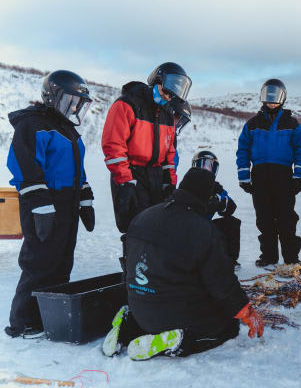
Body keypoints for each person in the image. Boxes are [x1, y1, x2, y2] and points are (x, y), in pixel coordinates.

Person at [102, 167, 264, 360]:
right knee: (227, 326)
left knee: (160, 300)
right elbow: (221, 282)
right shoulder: (202, 229)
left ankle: (126, 327)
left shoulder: (143, 217)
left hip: (139, 309)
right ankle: (178, 339)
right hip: (173, 315)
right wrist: (245, 310)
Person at [5, 70, 95, 338]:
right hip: (44, 204)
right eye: (71, 101)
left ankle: (49, 315)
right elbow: (24, 168)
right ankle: (23, 322)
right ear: (52, 96)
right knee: (39, 263)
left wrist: (85, 200)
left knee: (61, 262)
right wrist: (40, 206)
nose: (75, 107)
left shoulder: (69, 130)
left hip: (67, 203)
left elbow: (79, 171)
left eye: (78, 103)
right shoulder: (32, 125)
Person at [101, 62, 192, 273]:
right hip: (132, 173)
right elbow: (114, 145)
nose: (168, 98)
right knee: (136, 227)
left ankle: (156, 275)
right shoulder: (127, 105)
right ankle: (135, 276)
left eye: (172, 96)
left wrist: (169, 181)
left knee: (160, 226)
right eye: (165, 93)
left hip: (155, 174)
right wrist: (125, 181)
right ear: (156, 82)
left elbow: (170, 151)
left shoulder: (167, 112)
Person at [236, 79, 301, 267]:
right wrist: (244, 176)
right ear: (263, 98)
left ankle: (291, 258)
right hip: (259, 176)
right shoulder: (252, 124)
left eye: (275, 99)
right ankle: (268, 257)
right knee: (264, 218)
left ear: (282, 99)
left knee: (286, 218)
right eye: (268, 98)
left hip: (284, 176)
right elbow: (243, 150)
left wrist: (298, 176)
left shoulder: (293, 124)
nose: (271, 102)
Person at [192, 150, 241, 269]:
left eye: (211, 167)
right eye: (203, 165)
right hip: (191, 228)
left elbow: (231, 207)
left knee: (231, 222)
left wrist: (220, 201)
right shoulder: (189, 184)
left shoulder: (215, 187)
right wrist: (207, 205)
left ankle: (230, 260)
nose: (207, 170)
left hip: (207, 228)